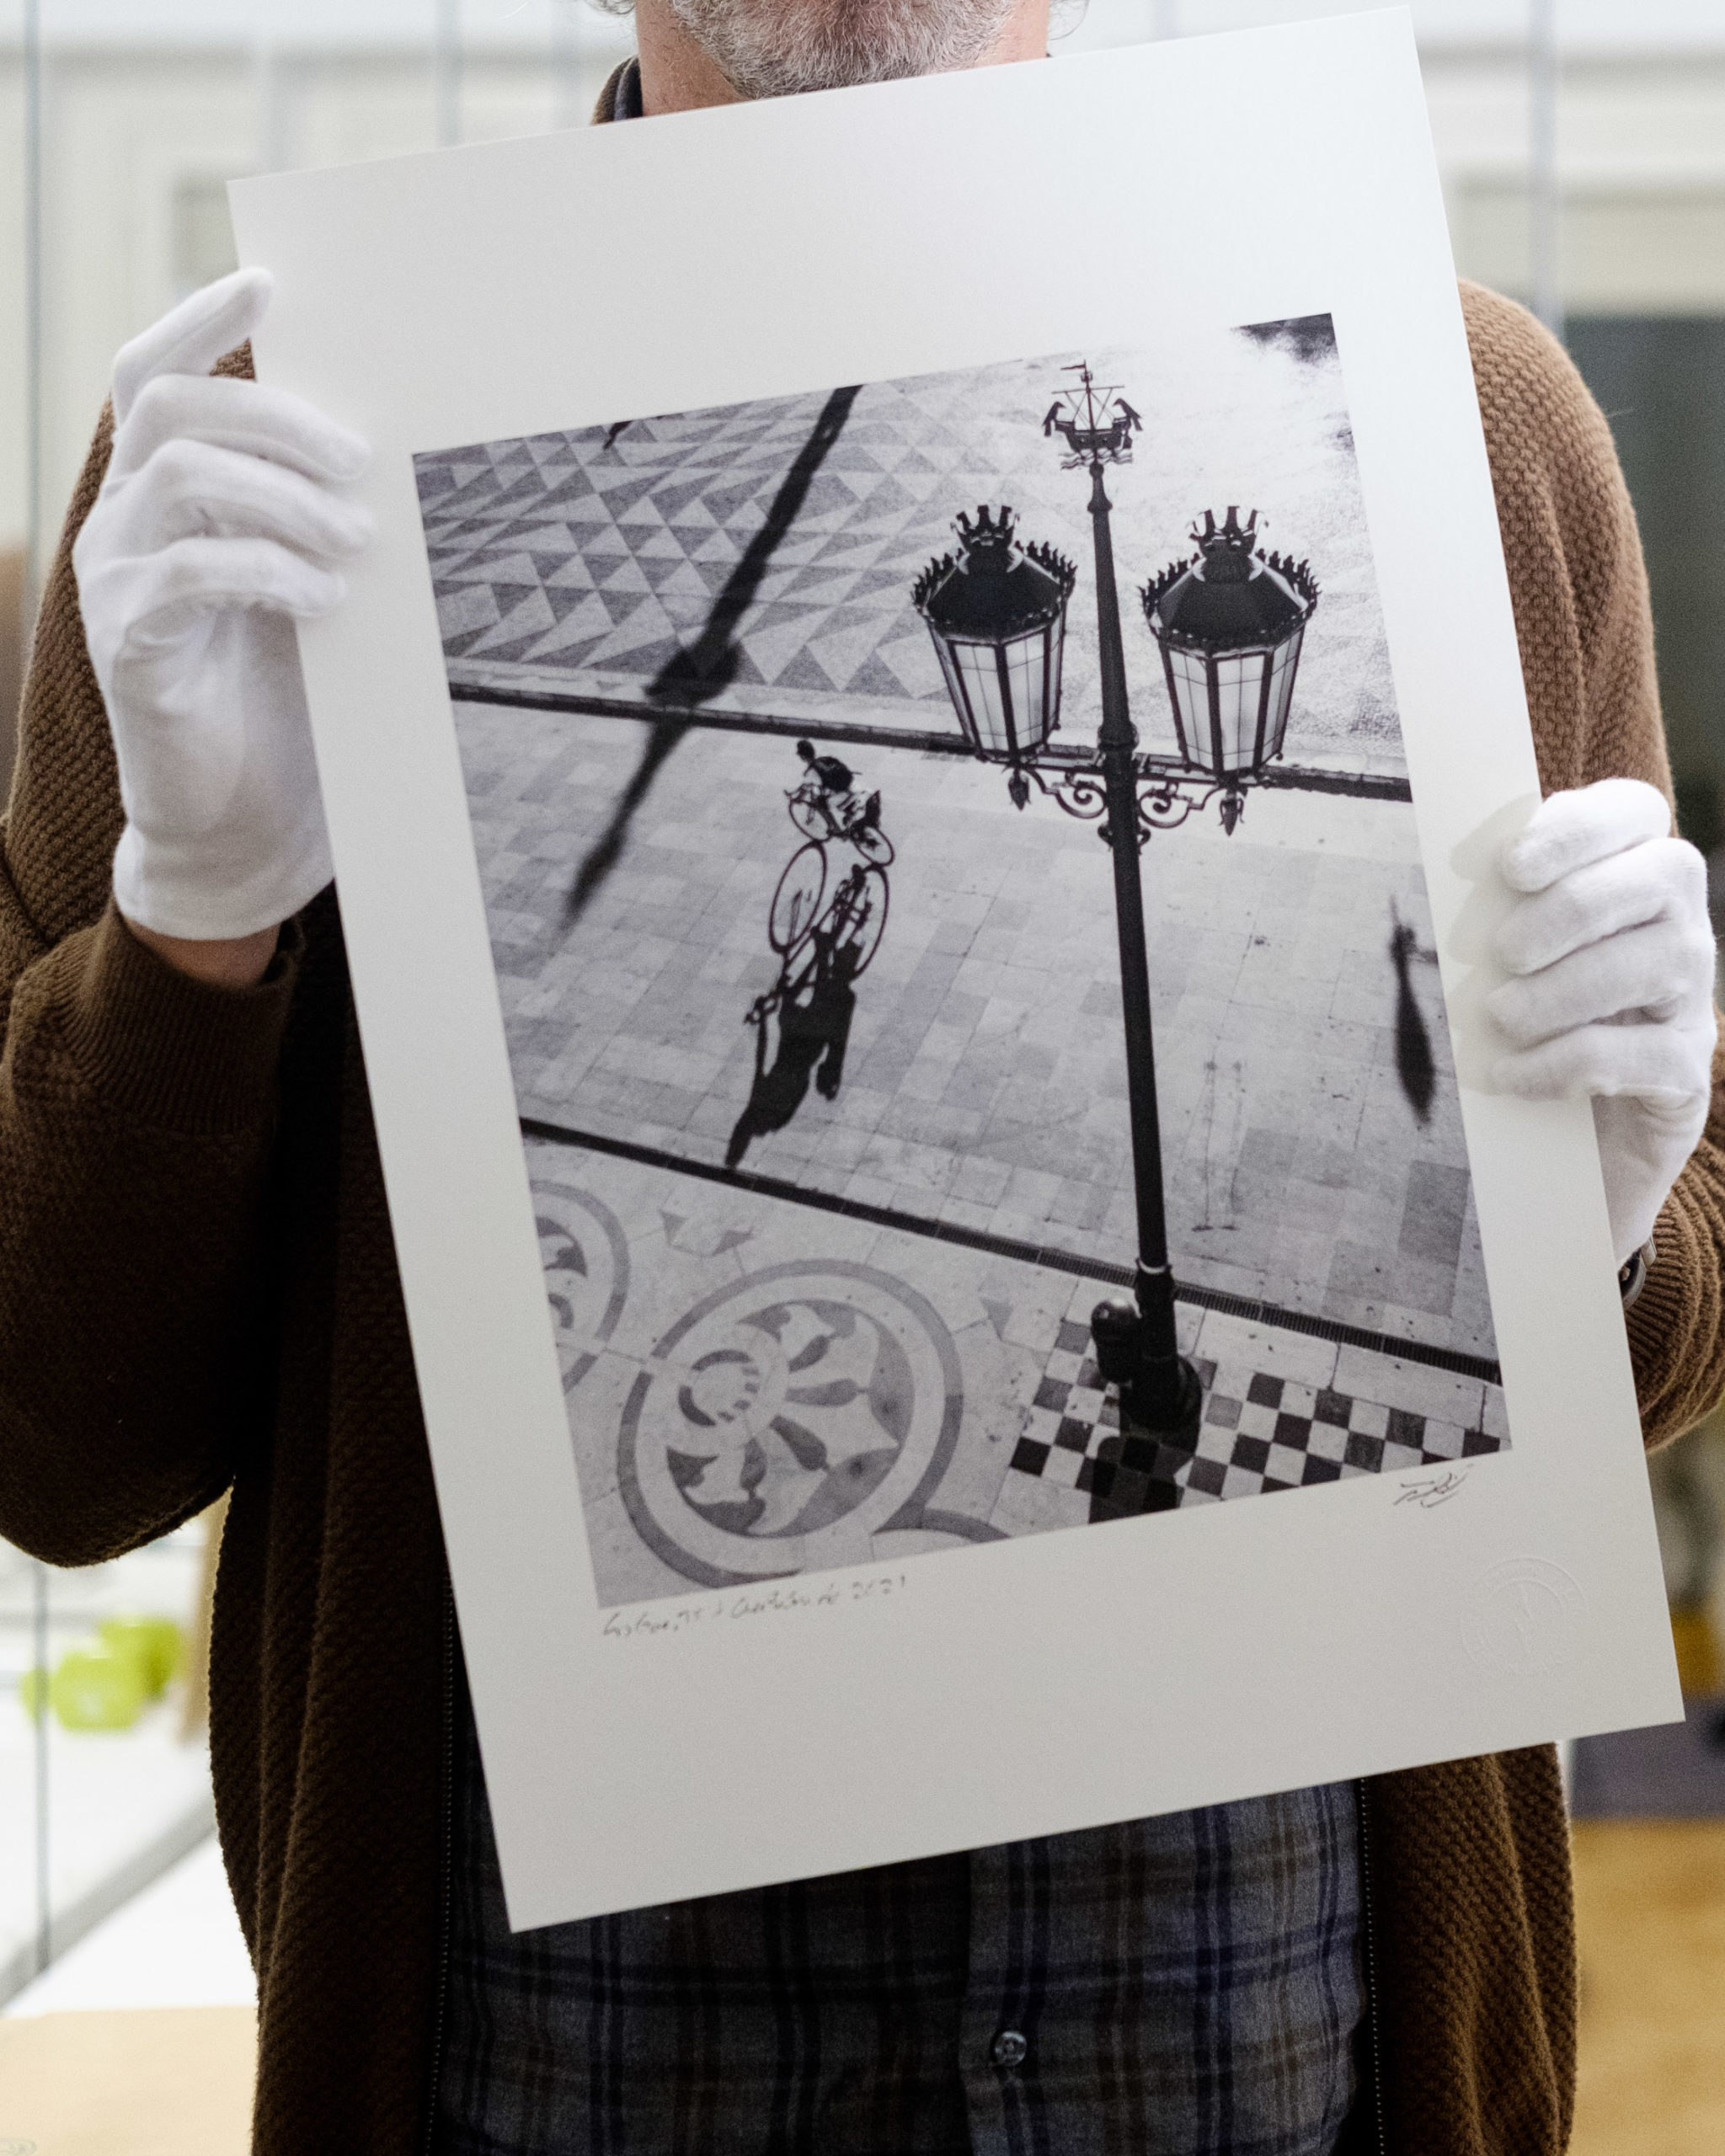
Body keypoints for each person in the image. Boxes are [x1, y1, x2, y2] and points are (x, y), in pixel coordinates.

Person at [1, 3, 1719, 2152]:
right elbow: (56, 1444)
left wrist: (1600, 1224)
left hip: (1269, 2051)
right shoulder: (255, 461)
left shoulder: (1462, 424)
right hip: (553, 2068)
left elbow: (1642, 1362)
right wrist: (192, 928)